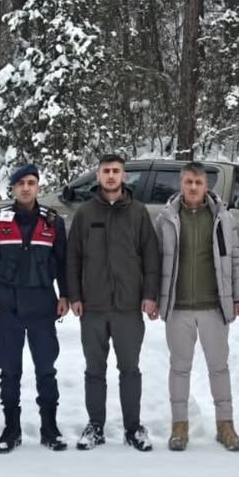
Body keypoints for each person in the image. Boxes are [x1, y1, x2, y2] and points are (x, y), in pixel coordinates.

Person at [66, 153, 161, 451]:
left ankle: (133, 427)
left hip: (128, 306)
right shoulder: (85, 213)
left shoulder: (138, 212)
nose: (110, 176)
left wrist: (149, 295)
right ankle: (95, 426)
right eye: (106, 171)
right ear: (98, 176)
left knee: (129, 369)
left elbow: (151, 258)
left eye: (116, 171)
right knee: (94, 369)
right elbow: (73, 259)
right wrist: (75, 296)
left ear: (123, 176)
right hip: (93, 306)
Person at [0, 164, 70, 453]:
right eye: (20, 183)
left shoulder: (53, 222)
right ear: (13, 188)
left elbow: (63, 262)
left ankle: (49, 427)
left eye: (31, 182)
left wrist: (65, 294)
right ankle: (11, 428)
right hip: (7, 307)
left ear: (38, 186)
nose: (26, 188)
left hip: (42, 307)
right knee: (9, 371)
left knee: (46, 370)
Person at [154, 162, 239, 452]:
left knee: (218, 368)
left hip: (213, 307)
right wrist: (154, 298)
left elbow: (236, 259)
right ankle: (179, 427)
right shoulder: (166, 219)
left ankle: (226, 425)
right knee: (179, 368)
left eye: (198, 182)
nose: (193, 187)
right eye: (188, 182)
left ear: (206, 186)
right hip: (179, 307)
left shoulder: (223, 218)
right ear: (180, 185)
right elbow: (155, 262)